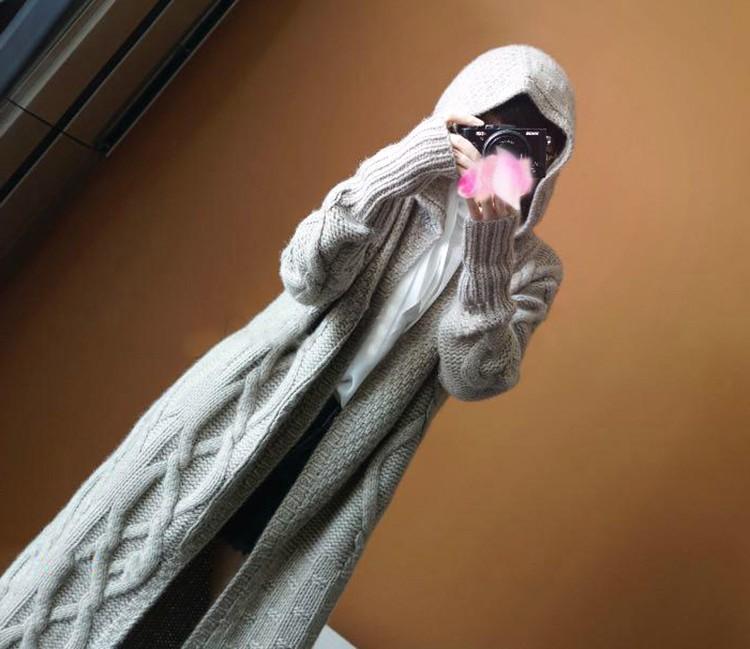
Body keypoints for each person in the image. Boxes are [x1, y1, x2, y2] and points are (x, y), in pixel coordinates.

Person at [0, 44, 575, 649]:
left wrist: (490, 248)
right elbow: (306, 276)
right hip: (247, 403)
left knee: (235, 612)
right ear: (461, 113)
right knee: (116, 564)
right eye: (492, 128)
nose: (501, 153)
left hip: (347, 458)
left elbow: (475, 376)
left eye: (527, 145)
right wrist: (402, 164)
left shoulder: (533, 269)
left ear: (549, 164)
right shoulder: (398, 185)